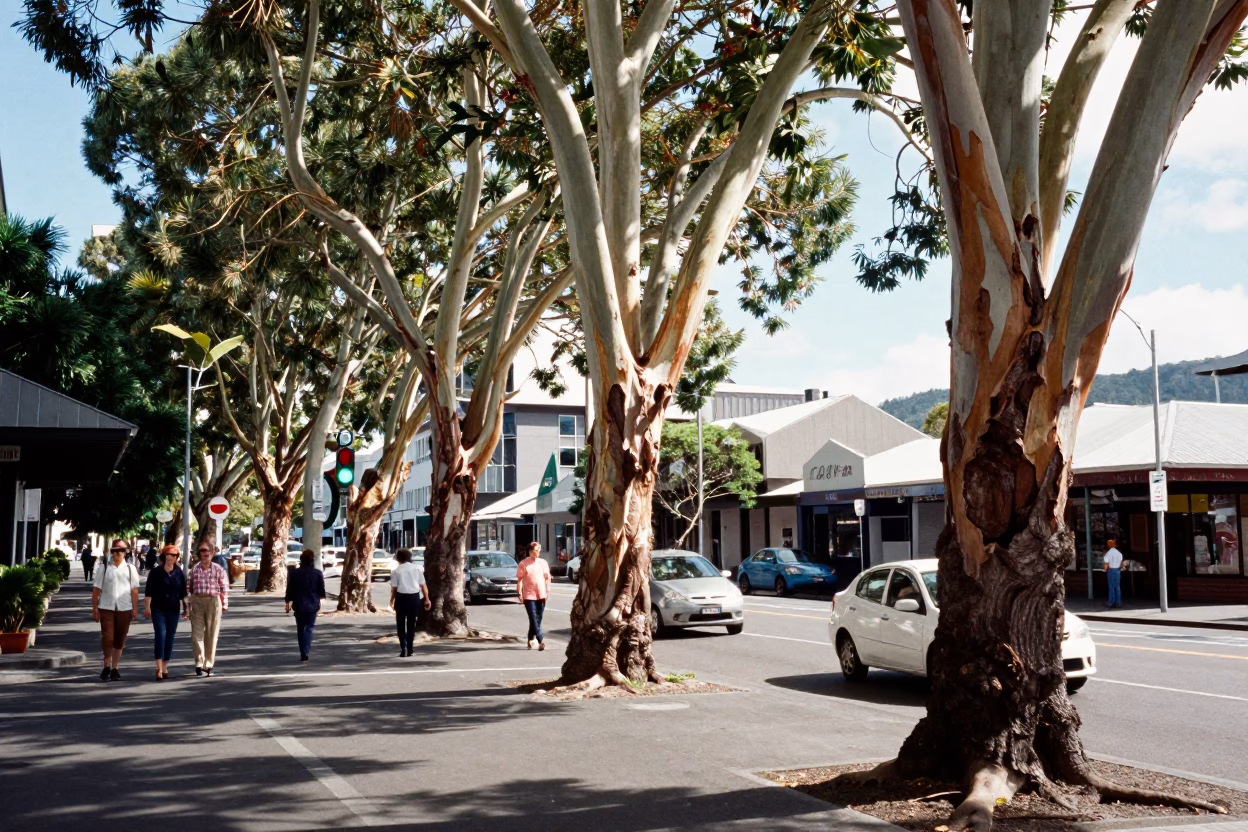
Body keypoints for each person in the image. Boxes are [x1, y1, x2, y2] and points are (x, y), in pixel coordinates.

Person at [91, 539, 140, 681]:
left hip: (125, 608)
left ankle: (115, 667)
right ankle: (106, 664)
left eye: (120, 551)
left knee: (120, 639)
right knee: (108, 637)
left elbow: (134, 590)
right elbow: (96, 590)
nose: (117, 553)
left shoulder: (131, 569)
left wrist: (135, 609)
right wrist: (94, 609)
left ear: (125, 553)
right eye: (115, 551)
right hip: (106, 607)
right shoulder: (105, 568)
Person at [144, 545, 188, 680]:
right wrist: (147, 608)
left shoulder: (179, 573)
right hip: (158, 609)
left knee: (170, 637)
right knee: (160, 635)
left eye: (174, 555)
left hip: (173, 610)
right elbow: (148, 592)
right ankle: (158, 668)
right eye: (169, 555)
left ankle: (165, 666)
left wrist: (187, 608)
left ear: (177, 558)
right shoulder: (156, 572)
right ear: (164, 556)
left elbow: (183, 593)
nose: (171, 558)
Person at [188, 542, 229, 677]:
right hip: (198, 601)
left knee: (211, 634)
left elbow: (224, 588)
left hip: (213, 601)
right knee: (196, 634)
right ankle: (199, 664)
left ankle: (208, 664)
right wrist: (189, 601)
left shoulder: (218, 569)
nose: (204, 554)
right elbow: (189, 586)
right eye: (201, 551)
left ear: (211, 553)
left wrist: (224, 604)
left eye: (206, 551)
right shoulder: (195, 569)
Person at [285, 551, 326, 662]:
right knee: (309, 627)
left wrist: (288, 601)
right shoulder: (317, 573)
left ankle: (303, 652)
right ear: (312, 560)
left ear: (301, 560)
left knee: (300, 628)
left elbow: (290, 589)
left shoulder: (294, 573)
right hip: (313, 603)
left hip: (299, 603)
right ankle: (306, 651)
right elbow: (321, 590)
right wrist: (321, 600)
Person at [389, 548, 430, 658]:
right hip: (414, 597)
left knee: (401, 625)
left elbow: (394, 588)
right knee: (411, 624)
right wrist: (427, 599)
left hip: (401, 597)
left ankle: (404, 648)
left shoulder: (396, 571)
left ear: (398, 558)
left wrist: (391, 601)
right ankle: (411, 648)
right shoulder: (417, 569)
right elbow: (423, 585)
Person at [516, 542, 552, 651]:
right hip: (529, 595)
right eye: (537, 549)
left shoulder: (543, 563)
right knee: (533, 618)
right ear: (531, 551)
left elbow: (547, 577)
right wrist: (519, 593)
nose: (539, 551)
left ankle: (530, 638)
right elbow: (520, 580)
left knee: (538, 619)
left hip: (541, 594)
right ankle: (540, 640)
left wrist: (547, 589)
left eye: (539, 549)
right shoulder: (523, 563)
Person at [1104, 538, 1124, 609]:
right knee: (1117, 587)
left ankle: (1111, 602)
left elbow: (1106, 563)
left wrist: (1105, 569)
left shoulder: (1108, 553)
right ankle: (1118, 602)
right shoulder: (1119, 553)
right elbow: (1121, 563)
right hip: (1117, 571)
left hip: (1111, 570)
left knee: (1111, 586)